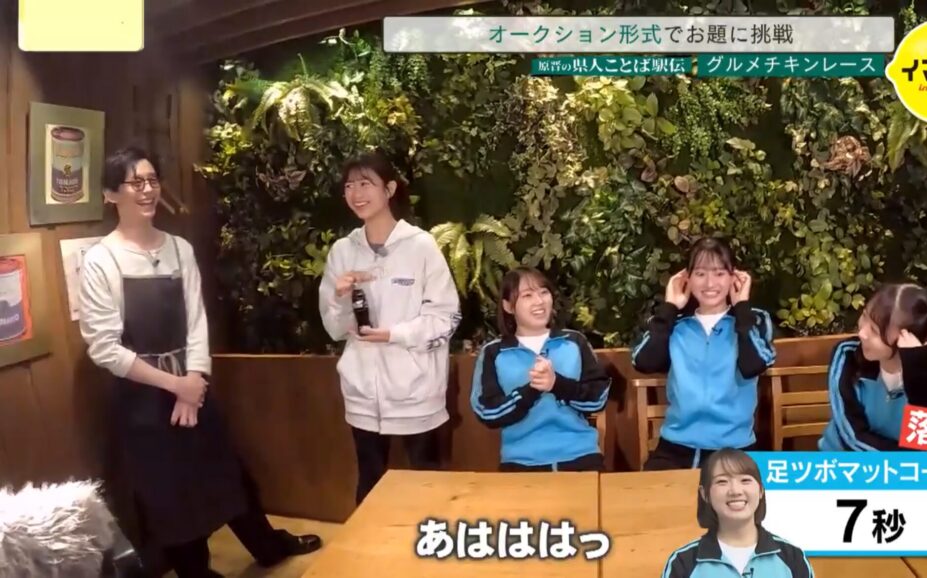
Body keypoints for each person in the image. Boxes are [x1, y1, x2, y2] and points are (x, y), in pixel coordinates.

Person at [79, 146, 322, 578]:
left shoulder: (179, 248)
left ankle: (268, 547)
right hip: (142, 399)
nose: (148, 190)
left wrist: (194, 379)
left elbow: (196, 320)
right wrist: (176, 386)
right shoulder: (101, 260)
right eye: (136, 183)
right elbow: (105, 349)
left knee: (228, 472)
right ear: (110, 194)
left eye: (152, 180)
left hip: (192, 384)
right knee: (169, 496)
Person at [318, 150, 461, 505]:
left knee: (427, 483)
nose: (356, 193)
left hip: (417, 392)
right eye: (349, 185)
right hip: (362, 394)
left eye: (366, 183)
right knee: (369, 483)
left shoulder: (421, 246)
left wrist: (394, 335)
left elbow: (445, 317)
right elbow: (334, 328)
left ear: (390, 189)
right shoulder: (342, 251)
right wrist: (340, 297)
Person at [632, 237, 776, 470]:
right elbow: (644, 362)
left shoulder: (753, 320)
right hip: (675, 448)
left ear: (734, 277)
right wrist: (669, 308)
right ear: (686, 278)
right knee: (647, 492)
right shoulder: (673, 324)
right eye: (700, 274)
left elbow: (753, 365)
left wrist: (741, 307)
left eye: (719, 273)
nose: (710, 283)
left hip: (734, 448)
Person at [470, 267, 610, 471]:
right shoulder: (494, 353)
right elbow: (488, 413)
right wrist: (531, 390)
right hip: (520, 462)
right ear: (508, 306)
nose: (539, 301)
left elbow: (598, 400)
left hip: (580, 455)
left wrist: (557, 384)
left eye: (544, 292)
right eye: (527, 295)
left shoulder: (574, 342)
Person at [818, 283, 927, 451]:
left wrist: (916, 375)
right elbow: (852, 438)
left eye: (875, 331)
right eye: (864, 316)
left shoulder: (926, 372)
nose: (862, 333)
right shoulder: (847, 355)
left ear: (907, 337)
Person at [661, 448, 815, 578]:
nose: (735, 491)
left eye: (745, 480)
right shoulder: (683, 562)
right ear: (705, 494)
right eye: (722, 481)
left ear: (761, 490)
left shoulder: (792, 557)